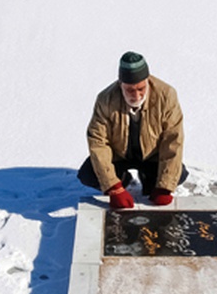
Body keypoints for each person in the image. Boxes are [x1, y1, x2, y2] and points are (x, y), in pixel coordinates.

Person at [77, 52, 188, 209]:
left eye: (141, 89)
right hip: (119, 155)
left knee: (179, 174)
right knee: (88, 175)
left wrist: (165, 186)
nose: (136, 95)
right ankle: (123, 180)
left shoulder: (167, 95)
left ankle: (148, 178)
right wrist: (113, 187)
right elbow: (98, 142)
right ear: (120, 84)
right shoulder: (105, 99)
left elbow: (173, 140)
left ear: (147, 81)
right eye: (129, 90)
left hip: (152, 156)